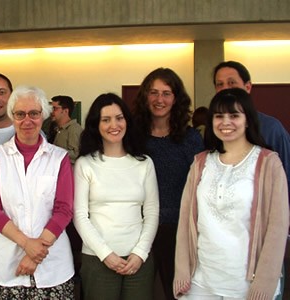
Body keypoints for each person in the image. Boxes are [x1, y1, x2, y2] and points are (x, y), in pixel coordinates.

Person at [174, 88, 289, 300]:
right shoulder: (201, 163)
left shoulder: (268, 163)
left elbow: (278, 228)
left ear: (247, 120)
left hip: (246, 285)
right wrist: (182, 270)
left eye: (234, 115)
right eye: (219, 116)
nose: (225, 122)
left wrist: (264, 282)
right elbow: (185, 221)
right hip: (201, 281)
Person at [0, 85, 75, 299]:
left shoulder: (59, 158)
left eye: (34, 113)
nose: (27, 120)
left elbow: (64, 210)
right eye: (20, 114)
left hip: (52, 266)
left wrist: (35, 254)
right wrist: (26, 244)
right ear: (12, 116)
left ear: (44, 115)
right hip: (5, 265)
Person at [73, 93, 159, 300]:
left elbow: (152, 212)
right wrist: (106, 254)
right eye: (106, 119)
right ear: (96, 125)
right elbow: (80, 216)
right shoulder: (86, 164)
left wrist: (140, 252)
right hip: (98, 257)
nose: (114, 125)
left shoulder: (144, 163)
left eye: (119, 118)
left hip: (139, 258)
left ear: (127, 121)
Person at [132, 67, 204, 300]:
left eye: (166, 93)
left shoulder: (191, 139)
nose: (159, 99)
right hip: (137, 230)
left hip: (179, 232)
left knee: (178, 294)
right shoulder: (132, 137)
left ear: (176, 99)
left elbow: (200, 188)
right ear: (145, 96)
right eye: (153, 92)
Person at [213, 61, 290, 200]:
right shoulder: (216, 129)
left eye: (232, 83)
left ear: (248, 87)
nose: (226, 89)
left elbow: (286, 179)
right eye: (220, 84)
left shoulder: (271, 128)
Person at [51, 95, 83, 164]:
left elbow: (76, 154)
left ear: (65, 111)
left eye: (55, 109)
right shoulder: (58, 129)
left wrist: (54, 151)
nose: (52, 112)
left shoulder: (74, 129)